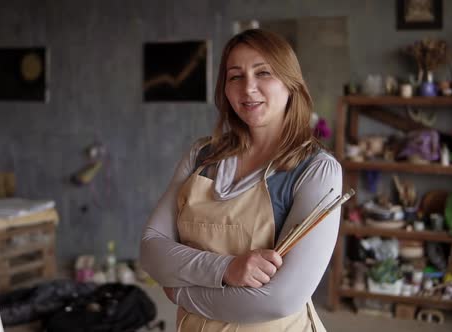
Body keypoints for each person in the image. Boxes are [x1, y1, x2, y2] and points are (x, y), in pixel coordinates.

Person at [140, 29, 342, 331]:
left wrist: (180, 290)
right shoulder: (201, 155)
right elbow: (151, 249)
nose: (248, 88)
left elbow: (279, 299)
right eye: (235, 76)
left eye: (263, 73)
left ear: (291, 84)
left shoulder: (316, 171)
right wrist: (227, 268)